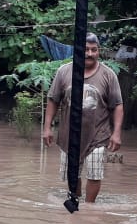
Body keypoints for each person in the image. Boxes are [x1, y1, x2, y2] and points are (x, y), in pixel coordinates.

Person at [42, 33, 124, 203]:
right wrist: (47, 128)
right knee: (73, 172)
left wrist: (116, 133)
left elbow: (117, 105)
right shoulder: (64, 72)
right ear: (78, 50)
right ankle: (76, 202)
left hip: (98, 135)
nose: (90, 54)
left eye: (94, 50)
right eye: (86, 49)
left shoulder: (108, 75)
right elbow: (53, 100)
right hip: (69, 135)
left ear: (99, 51)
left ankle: (90, 207)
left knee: (95, 173)